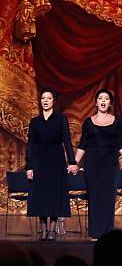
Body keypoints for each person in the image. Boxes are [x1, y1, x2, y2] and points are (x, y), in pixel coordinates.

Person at [26, 87, 78, 241]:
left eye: (48, 98)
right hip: (39, 160)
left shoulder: (61, 120)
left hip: (56, 159)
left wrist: (72, 161)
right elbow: (30, 145)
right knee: (41, 194)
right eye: (43, 98)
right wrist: (29, 166)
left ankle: (52, 230)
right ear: (40, 101)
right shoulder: (35, 122)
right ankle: (43, 230)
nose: (45, 101)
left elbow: (67, 141)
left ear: (53, 101)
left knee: (54, 194)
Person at [75, 89, 122, 240]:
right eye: (100, 98)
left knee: (109, 198)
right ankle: (95, 233)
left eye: (106, 98)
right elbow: (83, 144)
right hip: (92, 165)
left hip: (110, 165)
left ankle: (107, 234)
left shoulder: (116, 121)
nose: (103, 100)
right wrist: (74, 162)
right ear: (96, 102)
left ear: (110, 103)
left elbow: (120, 143)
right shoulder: (88, 122)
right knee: (95, 198)